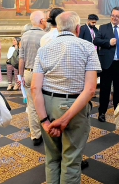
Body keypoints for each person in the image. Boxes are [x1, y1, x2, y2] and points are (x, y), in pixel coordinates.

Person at [31, 11, 101, 184]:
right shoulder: (87, 47)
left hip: (48, 104)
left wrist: (44, 121)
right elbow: (91, 89)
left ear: (58, 27)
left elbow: (34, 87)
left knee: (52, 158)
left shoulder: (44, 48)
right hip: (77, 105)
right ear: (78, 28)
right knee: (71, 160)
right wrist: (66, 118)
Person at [18, 11, 47, 146]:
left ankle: (35, 135)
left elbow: (21, 58)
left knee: (31, 105)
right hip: (42, 74)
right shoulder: (45, 36)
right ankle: (47, 131)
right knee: (45, 103)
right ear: (41, 21)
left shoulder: (24, 36)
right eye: (45, 19)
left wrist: (20, 75)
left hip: (28, 73)